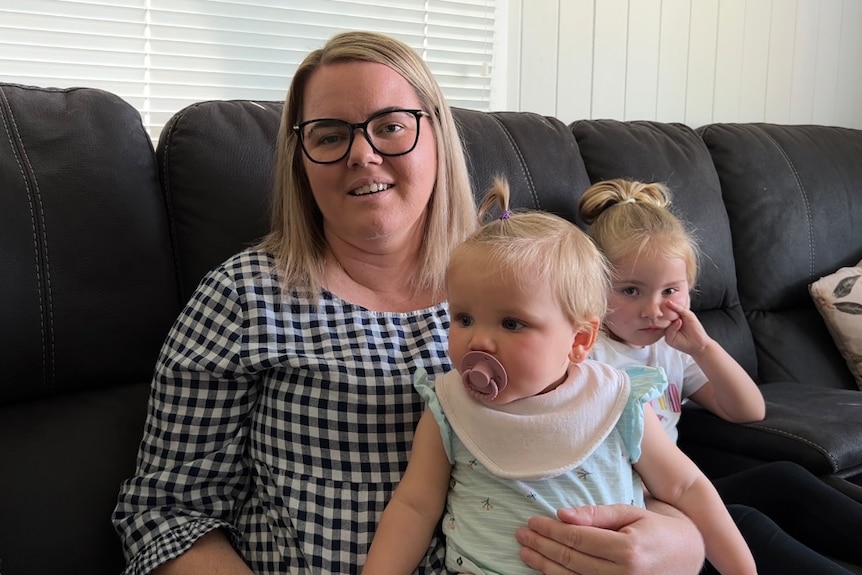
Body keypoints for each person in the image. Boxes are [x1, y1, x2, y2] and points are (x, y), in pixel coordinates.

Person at [112, 31, 705, 575]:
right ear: (300, 160)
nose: (361, 154)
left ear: (437, 136)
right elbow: (167, 514)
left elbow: (626, 446)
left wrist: (680, 544)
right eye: (329, 135)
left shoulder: (530, 281)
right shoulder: (241, 298)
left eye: (390, 125)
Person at [362, 178, 755, 575]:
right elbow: (414, 506)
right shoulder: (448, 406)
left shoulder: (618, 399)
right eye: (463, 318)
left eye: (512, 323)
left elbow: (686, 488)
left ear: (580, 340)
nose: (478, 339)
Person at [581, 177, 862, 575]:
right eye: (630, 291)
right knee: (746, 523)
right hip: (632, 503)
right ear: (592, 287)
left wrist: (704, 348)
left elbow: (748, 410)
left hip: (678, 492)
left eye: (670, 291)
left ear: (691, 289)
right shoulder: (588, 353)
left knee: (786, 479)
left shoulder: (672, 346)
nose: (653, 309)